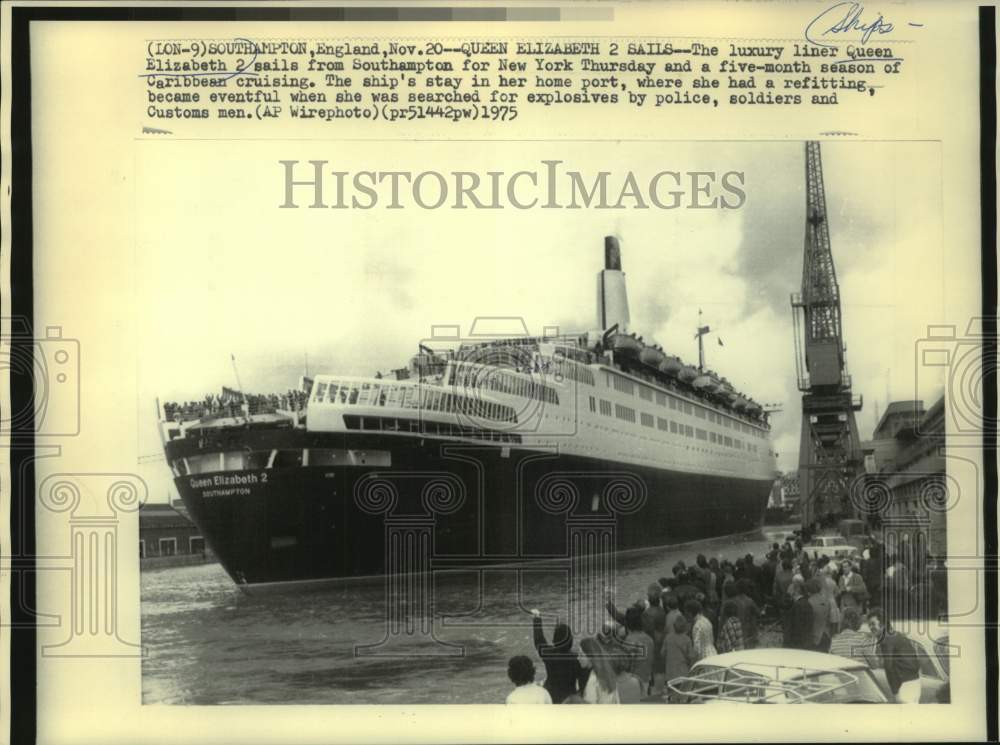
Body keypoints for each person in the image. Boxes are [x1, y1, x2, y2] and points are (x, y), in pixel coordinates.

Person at [867, 608, 922, 703]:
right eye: (869, 625)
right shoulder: (896, 635)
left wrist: (895, 692)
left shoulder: (887, 639)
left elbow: (889, 667)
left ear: (883, 624)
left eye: (873, 624)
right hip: (915, 684)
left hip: (905, 687)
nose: (871, 627)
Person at [530, 609, 583, 703]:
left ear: (554, 639)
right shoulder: (577, 658)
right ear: (570, 640)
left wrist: (537, 618)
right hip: (569, 696)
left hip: (550, 695)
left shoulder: (549, 654)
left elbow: (539, 640)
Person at [662, 616, 697, 702]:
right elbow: (691, 656)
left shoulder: (668, 638)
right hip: (683, 673)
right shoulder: (687, 639)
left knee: (672, 697)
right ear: (685, 627)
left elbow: (662, 653)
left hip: (670, 673)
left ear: (674, 626)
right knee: (683, 698)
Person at [579, 637, 620, 703]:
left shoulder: (593, 680)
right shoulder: (609, 674)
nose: (578, 658)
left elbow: (589, 710)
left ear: (590, 656)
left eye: (581, 655)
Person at [784, 579, 815, 650]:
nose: (788, 592)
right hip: (806, 642)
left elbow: (795, 627)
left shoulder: (797, 606)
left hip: (797, 644)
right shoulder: (807, 603)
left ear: (795, 591)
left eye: (790, 590)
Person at [806, 576, 832, 652]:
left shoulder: (808, 602)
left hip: (813, 637)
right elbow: (829, 618)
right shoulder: (826, 601)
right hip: (825, 634)